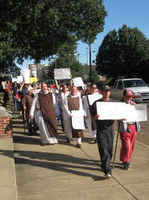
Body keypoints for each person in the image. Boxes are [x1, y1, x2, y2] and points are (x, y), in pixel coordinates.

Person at [91, 85, 115, 178]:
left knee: (110, 150)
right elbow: (92, 117)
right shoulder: (96, 103)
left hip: (110, 129)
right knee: (103, 149)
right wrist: (95, 118)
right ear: (101, 92)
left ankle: (105, 164)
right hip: (101, 129)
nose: (106, 92)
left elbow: (123, 108)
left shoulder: (113, 103)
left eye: (108, 91)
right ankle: (107, 171)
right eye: (105, 91)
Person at [118, 89, 140, 170]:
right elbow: (117, 116)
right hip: (125, 127)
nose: (129, 98)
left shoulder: (133, 104)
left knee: (132, 145)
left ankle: (125, 159)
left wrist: (136, 108)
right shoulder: (120, 105)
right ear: (123, 96)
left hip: (133, 126)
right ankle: (126, 161)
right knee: (127, 145)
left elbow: (138, 115)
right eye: (127, 96)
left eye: (130, 96)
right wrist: (120, 118)